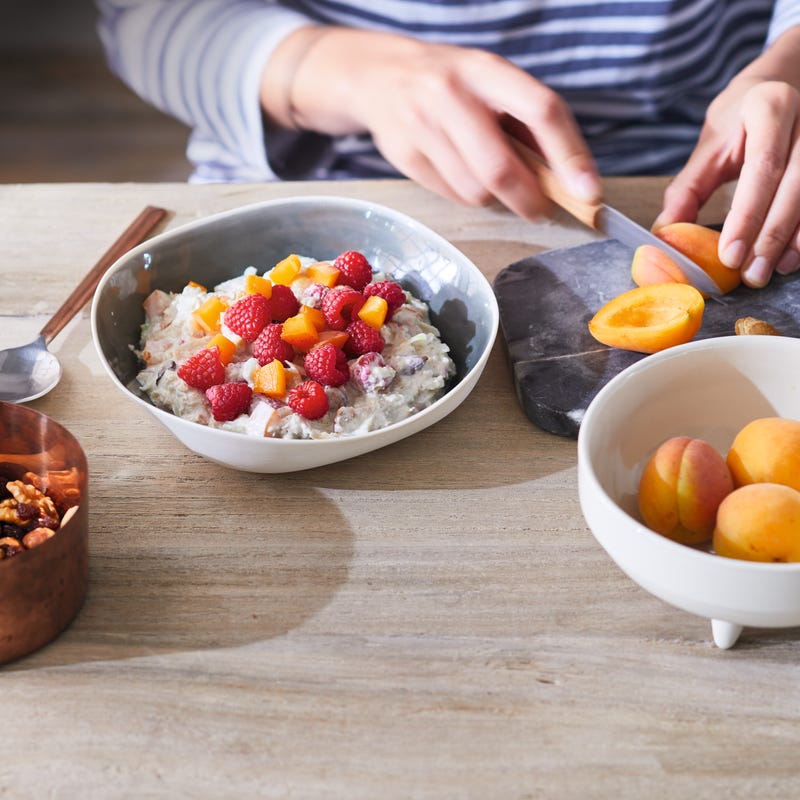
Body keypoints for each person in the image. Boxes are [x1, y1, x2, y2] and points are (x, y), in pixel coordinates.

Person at [94, 0, 800, 288]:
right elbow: (143, 16)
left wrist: (789, 62)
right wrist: (337, 69)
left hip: (714, 178)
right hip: (293, 198)